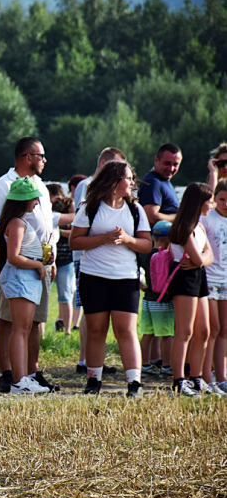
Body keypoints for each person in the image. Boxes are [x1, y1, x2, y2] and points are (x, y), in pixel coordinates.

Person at [69, 161, 152, 397]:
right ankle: (93, 381)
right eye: (128, 178)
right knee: (96, 330)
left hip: (126, 278)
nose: (133, 182)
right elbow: (74, 242)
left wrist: (127, 239)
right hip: (93, 277)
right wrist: (103, 238)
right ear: (114, 181)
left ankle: (134, 384)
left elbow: (146, 245)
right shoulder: (90, 208)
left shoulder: (136, 210)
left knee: (126, 330)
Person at [0, 137, 59, 393]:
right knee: (10, 321)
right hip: (19, 268)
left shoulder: (40, 185)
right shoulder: (2, 185)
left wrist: (49, 260)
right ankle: (10, 374)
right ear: (27, 157)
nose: (44, 160)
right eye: (41, 155)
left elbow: (48, 227)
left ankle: (30, 373)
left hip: (39, 264)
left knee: (33, 323)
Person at [72, 148, 126, 374]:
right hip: (88, 256)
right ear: (103, 163)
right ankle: (86, 359)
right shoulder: (88, 185)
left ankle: (90, 359)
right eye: (114, 166)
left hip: (102, 255)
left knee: (91, 311)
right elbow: (84, 221)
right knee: (90, 310)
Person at [0, 178, 50, 394]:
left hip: (26, 279)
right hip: (21, 278)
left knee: (24, 329)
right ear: (25, 199)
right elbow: (14, 256)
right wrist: (38, 263)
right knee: (20, 329)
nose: (37, 201)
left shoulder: (18, 221)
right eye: (34, 197)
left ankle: (24, 378)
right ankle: (19, 381)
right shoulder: (17, 223)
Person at [167, 183, 214, 397]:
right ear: (198, 201)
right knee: (185, 331)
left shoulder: (200, 226)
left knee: (203, 330)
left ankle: (196, 377)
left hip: (198, 277)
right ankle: (179, 380)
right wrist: (200, 260)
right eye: (209, 200)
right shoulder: (183, 227)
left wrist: (199, 261)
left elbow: (209, 256)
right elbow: (199, 257)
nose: (212, 204)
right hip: (184, 279)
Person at [137, 221, 174, 378]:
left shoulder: (144, 252)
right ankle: (166, 366)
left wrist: (141, 285)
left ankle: (144, 365)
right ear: (169, 238)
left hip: (148, 299)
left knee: (147, 334)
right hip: (163, 301)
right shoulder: (166, 255)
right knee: (167, 335)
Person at [200, 179, 227, 395]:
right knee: (212, 329)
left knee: (224, 331)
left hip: (226, 281)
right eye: (221, 199)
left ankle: (221, 377)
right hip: (209, 280)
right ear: (215, 199)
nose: (225, 204)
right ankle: (206, 377)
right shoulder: (208, 219)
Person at [48, 183, 76, 335]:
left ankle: (67, 330)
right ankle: (40, 331)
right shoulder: (44, 207)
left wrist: (59, 230)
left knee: (65, 295)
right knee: (43, 296)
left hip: (65, 256)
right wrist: (49, 203)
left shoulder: (69, 203)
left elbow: (75, 225)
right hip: (49, 255)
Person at [138, 143, 182, 227]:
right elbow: (151, 218)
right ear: (156, 160)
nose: (171, 168)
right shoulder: (153, 182)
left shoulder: (163, 181)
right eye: (167, 163)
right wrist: (179, 217)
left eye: (175, 165)